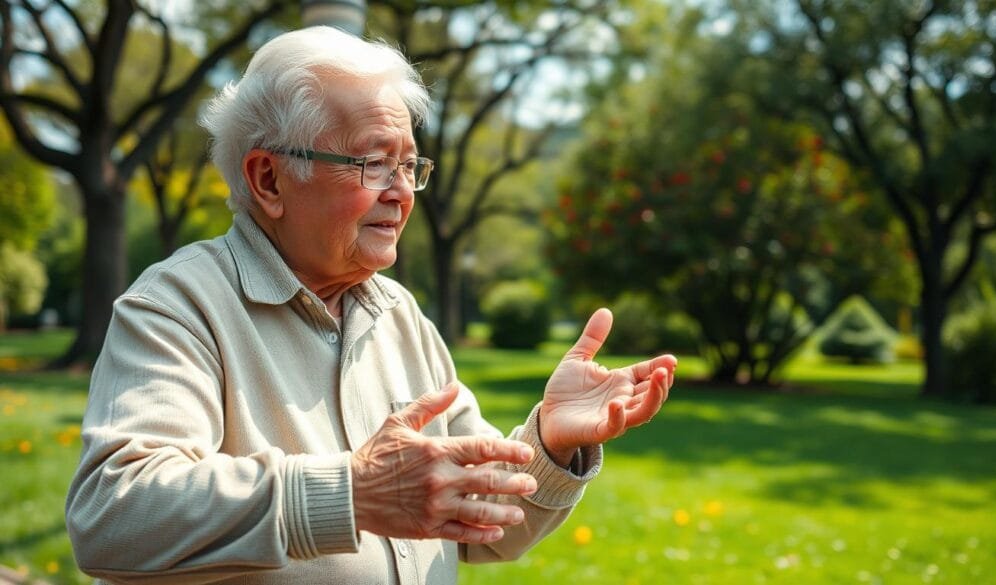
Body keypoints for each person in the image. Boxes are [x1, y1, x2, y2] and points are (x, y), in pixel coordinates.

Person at [65, 26, 677, 585]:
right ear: (268, 180)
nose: (402, 193)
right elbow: (114, 513)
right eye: (374, 163)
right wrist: (352, 493)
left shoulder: (399, 314)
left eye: (410, 165)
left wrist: (549, 442)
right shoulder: (177, 306)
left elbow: (483, 522)